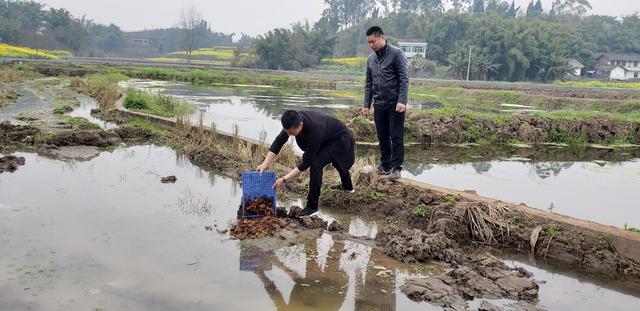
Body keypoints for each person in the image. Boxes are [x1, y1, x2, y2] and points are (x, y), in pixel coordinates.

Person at [257, 110, 355, 217]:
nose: (289, 135)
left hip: (340, 140)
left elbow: (306, 163)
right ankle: (348, 187)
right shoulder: (293, 121)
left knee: (316, 164)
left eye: (291, 133)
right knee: (327, 161)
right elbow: (279, 141)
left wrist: (284, 179)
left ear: (300, 125)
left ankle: (312, 206)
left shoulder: (315, 131)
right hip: (327, 138)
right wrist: (264, 164)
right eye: (287, 132)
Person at [362, 26, 409, 181]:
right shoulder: (370, 59)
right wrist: (366, 104)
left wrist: (402, 100)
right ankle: (385, 165)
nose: (371, 45)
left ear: (382, 37)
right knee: (382, 136)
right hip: (379, 104)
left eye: (373, 41)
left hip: (395, 104)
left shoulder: (396, 53)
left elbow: (404, 78)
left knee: (396, 136)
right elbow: (368, 83)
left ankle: (396, 168)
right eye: (369, 42)